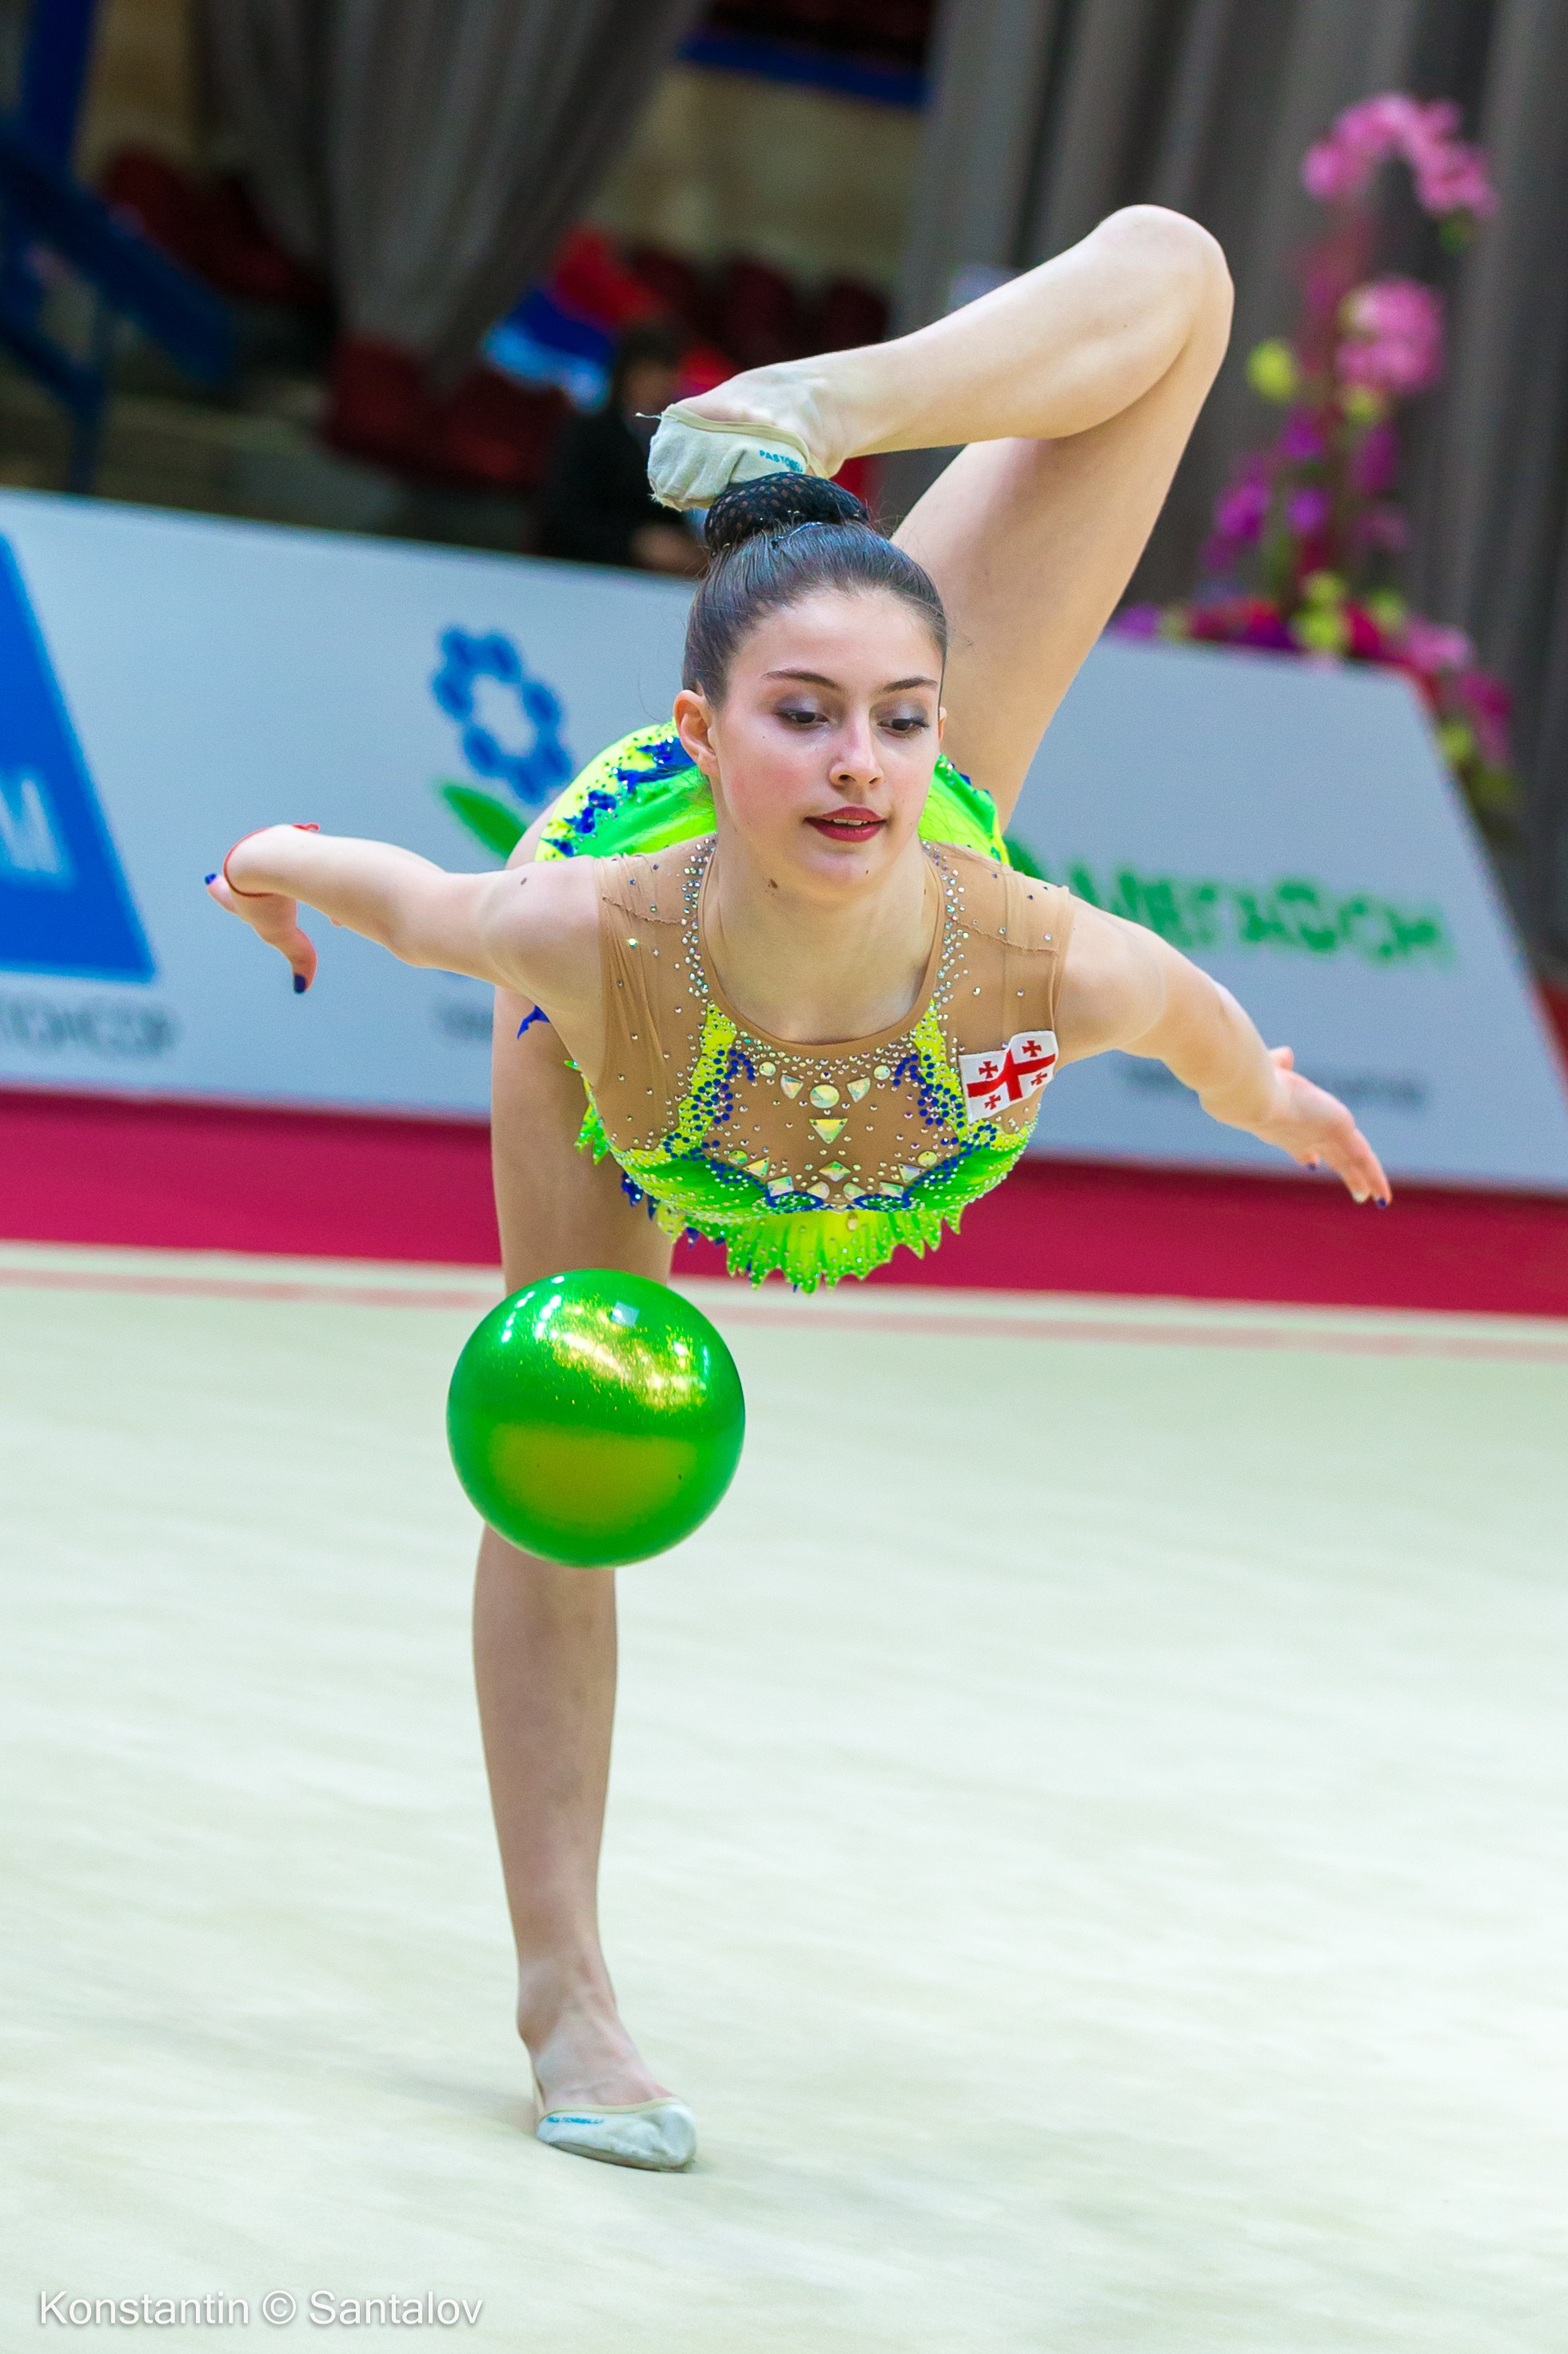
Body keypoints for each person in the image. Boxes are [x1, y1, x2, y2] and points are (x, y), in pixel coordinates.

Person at [206, 207, 1390, 2173]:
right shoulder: (583, 941)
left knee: (1185, 269)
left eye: (899, 723)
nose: (862, 765)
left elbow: (1187, 1014)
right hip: (643, 1065)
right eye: (808, 719)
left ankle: (810, 413)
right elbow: (407, 902)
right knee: (561, 1468)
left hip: (887, 977)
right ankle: (564, 1988)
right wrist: (266, 856)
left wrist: (1266, 1093)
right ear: (708, 733)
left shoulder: (1030, 934)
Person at [535, 321, 707, 577]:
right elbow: (564, 518)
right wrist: (635, 542)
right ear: (629, 374)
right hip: (587, 576)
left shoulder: (675, 443)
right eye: (653, 372)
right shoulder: (589, 434)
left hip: (653, 585)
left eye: (669, 372)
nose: (664, 383)